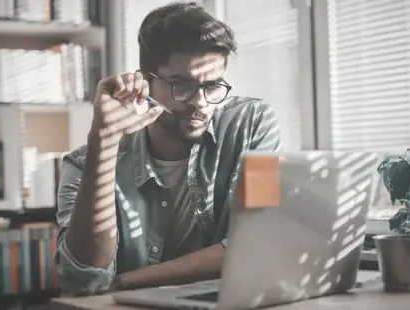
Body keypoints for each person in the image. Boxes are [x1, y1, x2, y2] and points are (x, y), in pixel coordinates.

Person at [55, 1, 282, 296]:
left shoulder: (251, 124)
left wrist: (125, 282)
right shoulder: (84, 165)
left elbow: (254, 247)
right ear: (146, 82)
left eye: (213, 85)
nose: (200, 102)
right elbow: (84, 279)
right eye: (181, 85)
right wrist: (104, 139)